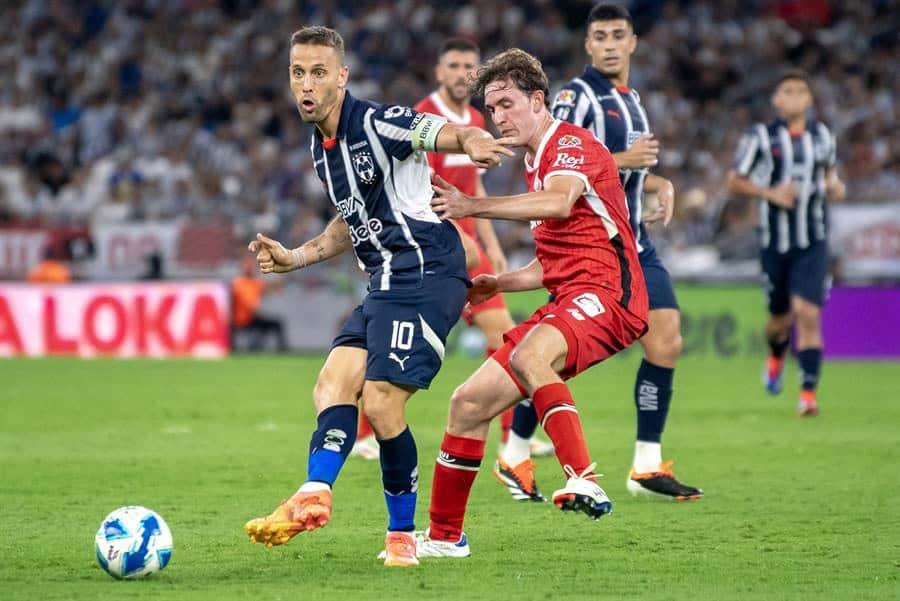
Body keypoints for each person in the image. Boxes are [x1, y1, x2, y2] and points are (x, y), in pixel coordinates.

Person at [241, 26, 513, 568]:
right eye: (298, 73)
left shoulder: (376, 121)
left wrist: (474, 140)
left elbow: (439, 131)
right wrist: (295, 257)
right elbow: (351, 222)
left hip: (428, 271)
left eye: (319, 72)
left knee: (383, 402)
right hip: (385, 282)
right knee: (332, 383)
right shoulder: (322, 150)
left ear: (341, 77)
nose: (307, 84)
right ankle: (316, 492)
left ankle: (401, 538)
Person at [415, 48, 649, 558]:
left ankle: (583, 477)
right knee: (466, 403)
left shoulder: (571, 145)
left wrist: (473, 205)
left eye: (507, 103)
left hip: (611, 294)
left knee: (528, 356)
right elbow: (548, 267)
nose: (498, 117)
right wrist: (497, 283)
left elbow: (560, 201)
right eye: (492, 108)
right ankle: (444, 538)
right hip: (572, 295)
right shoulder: (534, 163)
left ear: (538, 100)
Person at [351, 38, 554, 503]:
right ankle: (506, 442)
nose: (463, 73)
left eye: (469, 65)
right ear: (439, 72)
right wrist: (462, 240)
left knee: (507, 338)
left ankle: (509, 440)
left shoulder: (477, 123)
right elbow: (413, 186)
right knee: (400, 338)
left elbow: (473, 184)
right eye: (454, 65)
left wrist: (489, 242)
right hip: (432, 252)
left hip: (466, 251)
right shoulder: (423, 117)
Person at [531, 3, 703, 501]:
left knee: (666, 340)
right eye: (599, 36)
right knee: (557, 354)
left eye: (617, 35)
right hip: (595, 245)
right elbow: (551, 157)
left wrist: (656, 183)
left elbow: (627, 173)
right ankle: (517, 448)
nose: (608, 43)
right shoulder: (576, 96)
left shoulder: (631, 98)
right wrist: (627, 161)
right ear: (588, 45)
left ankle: (646, 467)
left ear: (633, 43)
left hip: (635, 240)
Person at [727, 69, 845, 416]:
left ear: (809, 99)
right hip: (775, 242)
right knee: (778, 320)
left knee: (807, 313)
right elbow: (734, 181)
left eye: (800, 91)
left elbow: (830, 178)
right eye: (787, 91)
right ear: (777, 100)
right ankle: (776, 354)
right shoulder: (761, 137)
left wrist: (836, 188)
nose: (794, 96)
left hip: (813, 239)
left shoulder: (823, 136)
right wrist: (769, 193)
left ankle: (808, 394)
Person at [231, 255, 287, 352]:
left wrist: (281, 272)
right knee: (264, 325)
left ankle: (282, 351)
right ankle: (251, 347)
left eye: (251, 266)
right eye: (248, 266)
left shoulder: (255, 282)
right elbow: (248, 304)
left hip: (253, 318)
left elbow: (268, 288)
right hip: (242, 319)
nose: (250, 268)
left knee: (276, 324)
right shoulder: (238, 283)